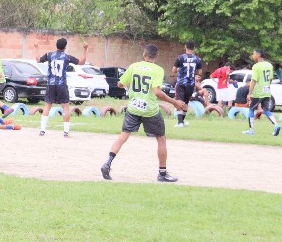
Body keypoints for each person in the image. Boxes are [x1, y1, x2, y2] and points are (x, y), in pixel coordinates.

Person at [101, 43, 187, 182]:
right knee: (161, 139)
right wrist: (174, 102)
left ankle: (107, 162)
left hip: (133, 108)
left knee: (123, 135)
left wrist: (128, 85)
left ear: (144, 54)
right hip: (150, 110)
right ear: (156, 55)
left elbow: (120, 84)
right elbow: (157, 92)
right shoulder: (157, 70)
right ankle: (162, 173)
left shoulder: (134, 66)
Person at [37, 38, 89, 137]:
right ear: (65, 47)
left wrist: (36, 48)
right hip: (62, 85)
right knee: (66, 108)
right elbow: (82, 62)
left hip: (51, 84)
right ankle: (66, 132)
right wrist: (85, 49)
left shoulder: (49, 55)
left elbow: (38, 60)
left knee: (47, 107)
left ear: (56, 45)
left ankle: (42, 130)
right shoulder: (67, 57)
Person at [243, 49, 281, 137]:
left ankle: (251, 130)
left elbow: (254, 80)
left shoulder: (256, 66)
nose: (253, 56)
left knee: (251, 109)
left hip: (258, 92)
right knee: (266, 110)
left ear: (258, 55)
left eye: (253, 54)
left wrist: (249, 93)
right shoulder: (269, 65)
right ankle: (276, 125)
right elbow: (270, 78)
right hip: (267, 91)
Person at [172, 40, 203, 126]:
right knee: (186, 103)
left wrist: (180, 69)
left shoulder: (180, 58)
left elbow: (173, 70)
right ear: (194, 48)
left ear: (185, 46)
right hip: (191, 84)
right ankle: (182, 121)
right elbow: (200, 72)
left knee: (179, 101)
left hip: (181, 83)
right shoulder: (197, 59)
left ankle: (179, 122)